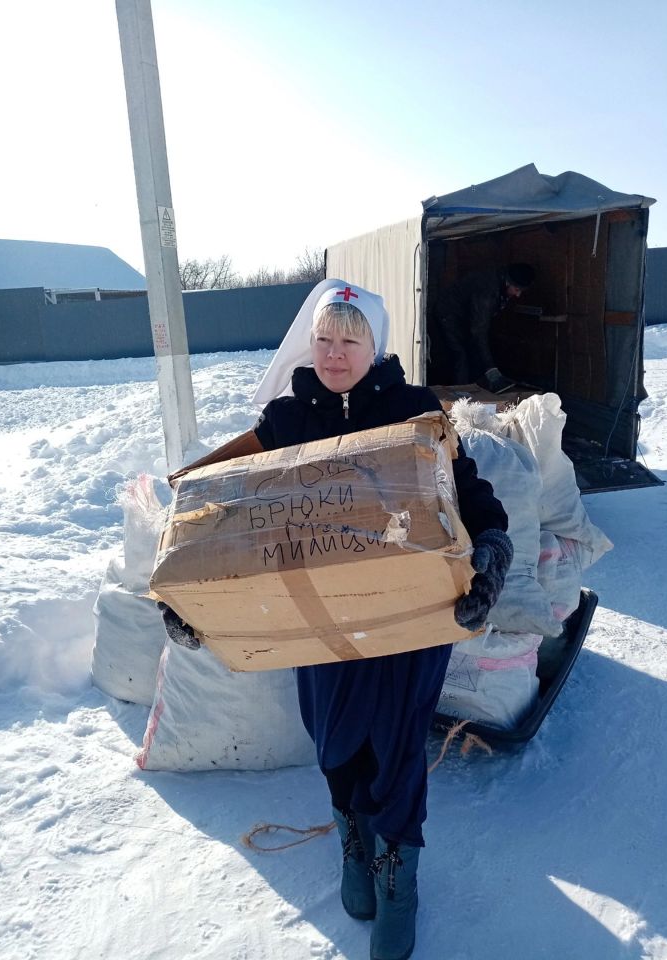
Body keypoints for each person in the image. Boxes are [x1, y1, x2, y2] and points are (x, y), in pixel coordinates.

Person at [160, 279, 512, 960]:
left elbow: (475, 500)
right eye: (324, 337)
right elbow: (219, 523)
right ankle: (353, 838)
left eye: (349, 339)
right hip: (318, 623)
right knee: (336, 738)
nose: (334, 352)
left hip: (408, 619)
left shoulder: (417, 414)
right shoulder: (285, 424)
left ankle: (397, 871)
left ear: (374, 345)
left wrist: (490, 557)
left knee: (398, 740)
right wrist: (192, 601)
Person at [429, 263, 536, 394]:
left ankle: (475, 387)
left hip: (464, 315)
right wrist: (490, 368)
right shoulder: (487, 293)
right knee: (460, 354)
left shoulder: (499, 282)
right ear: (508, 283)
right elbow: (479, 331)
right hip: (448, 313)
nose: (518, 295)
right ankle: (461, 395)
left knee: (473, 350)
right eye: (517, 290)